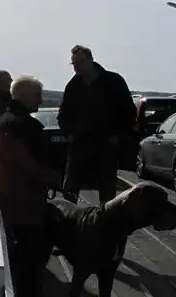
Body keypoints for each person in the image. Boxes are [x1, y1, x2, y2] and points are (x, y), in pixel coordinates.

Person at [0, 75, 63, 297]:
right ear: (25, 96)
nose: (41, 100)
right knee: (33, 260)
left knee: (20, 259)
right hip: (27, 204)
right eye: (37, 95)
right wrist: (56, 179)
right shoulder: (26, 127)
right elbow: (30, 168)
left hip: (7, 200)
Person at [58, 45, 136, 206]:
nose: (76, 67)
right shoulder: (73, 86)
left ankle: (107, 218)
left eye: (80, 62)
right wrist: (69, 134)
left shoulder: (113, 81)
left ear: (90, 60)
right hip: (80, 143)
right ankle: (66, 216)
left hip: (106, 143)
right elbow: (63, 114)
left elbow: (129, 111)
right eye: (74, 63)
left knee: (107, 189)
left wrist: (118, 136)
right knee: (70, 186)